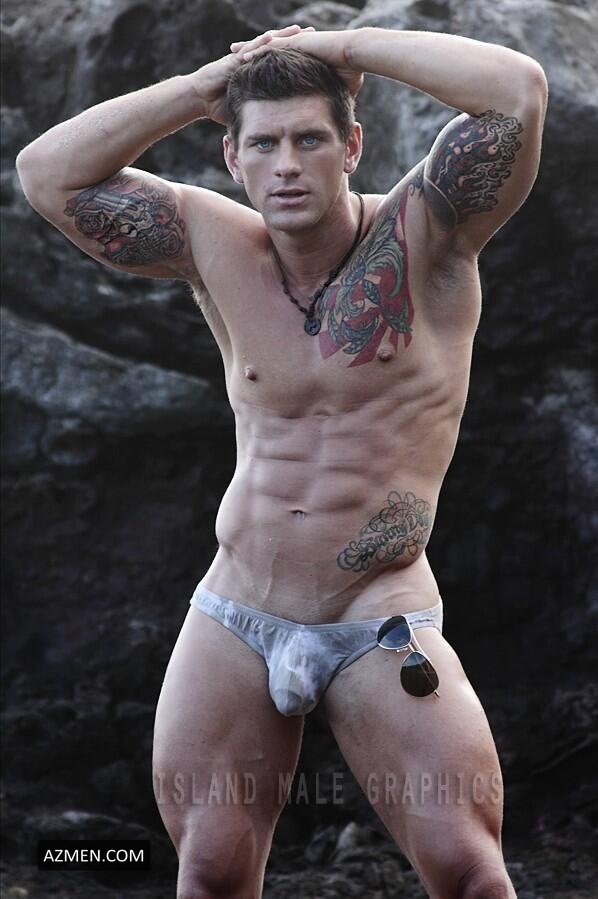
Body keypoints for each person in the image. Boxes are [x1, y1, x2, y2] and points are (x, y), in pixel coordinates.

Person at [16, 22, 548, 899]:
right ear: (233, 156)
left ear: (352, 146)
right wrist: (202, 88)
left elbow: (517, 90)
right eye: (263, 144)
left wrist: (348, 46)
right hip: (237, 609)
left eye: (310, 140)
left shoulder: (428, 234)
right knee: (210, 873)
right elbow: (46, 173)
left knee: (468, 871)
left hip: (376, 613)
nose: (287, 165)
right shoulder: (210, 241)